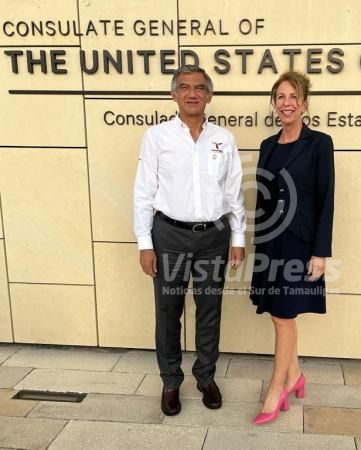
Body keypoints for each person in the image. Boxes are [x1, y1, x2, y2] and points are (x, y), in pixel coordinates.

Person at [134, 65, 246, 416]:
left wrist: (238, 237)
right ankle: (170, 381)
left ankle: (205, 377)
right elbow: (143, 192)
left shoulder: (224, 139)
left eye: (199, 87)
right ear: (174, 94)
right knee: (169, 311)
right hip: (168, 236)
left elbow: (234, 192)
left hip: (214, 237)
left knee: (209, 310)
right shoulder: (157, 137)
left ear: (209, 95)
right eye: (184, 87)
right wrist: (144, 243)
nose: (192, 93)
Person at [250, 71, 335, 425]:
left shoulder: (319, 143)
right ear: (274, 103)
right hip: (271, 243)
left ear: (304, 103)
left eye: (293, 96)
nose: (286, 103)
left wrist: (320, 252)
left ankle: (276, 389)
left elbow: (326, 198)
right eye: (280, 97)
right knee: (279, 314)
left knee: (284, 316)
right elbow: (262, 199)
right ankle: (295, 375)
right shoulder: (267, 146)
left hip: (300, 244)